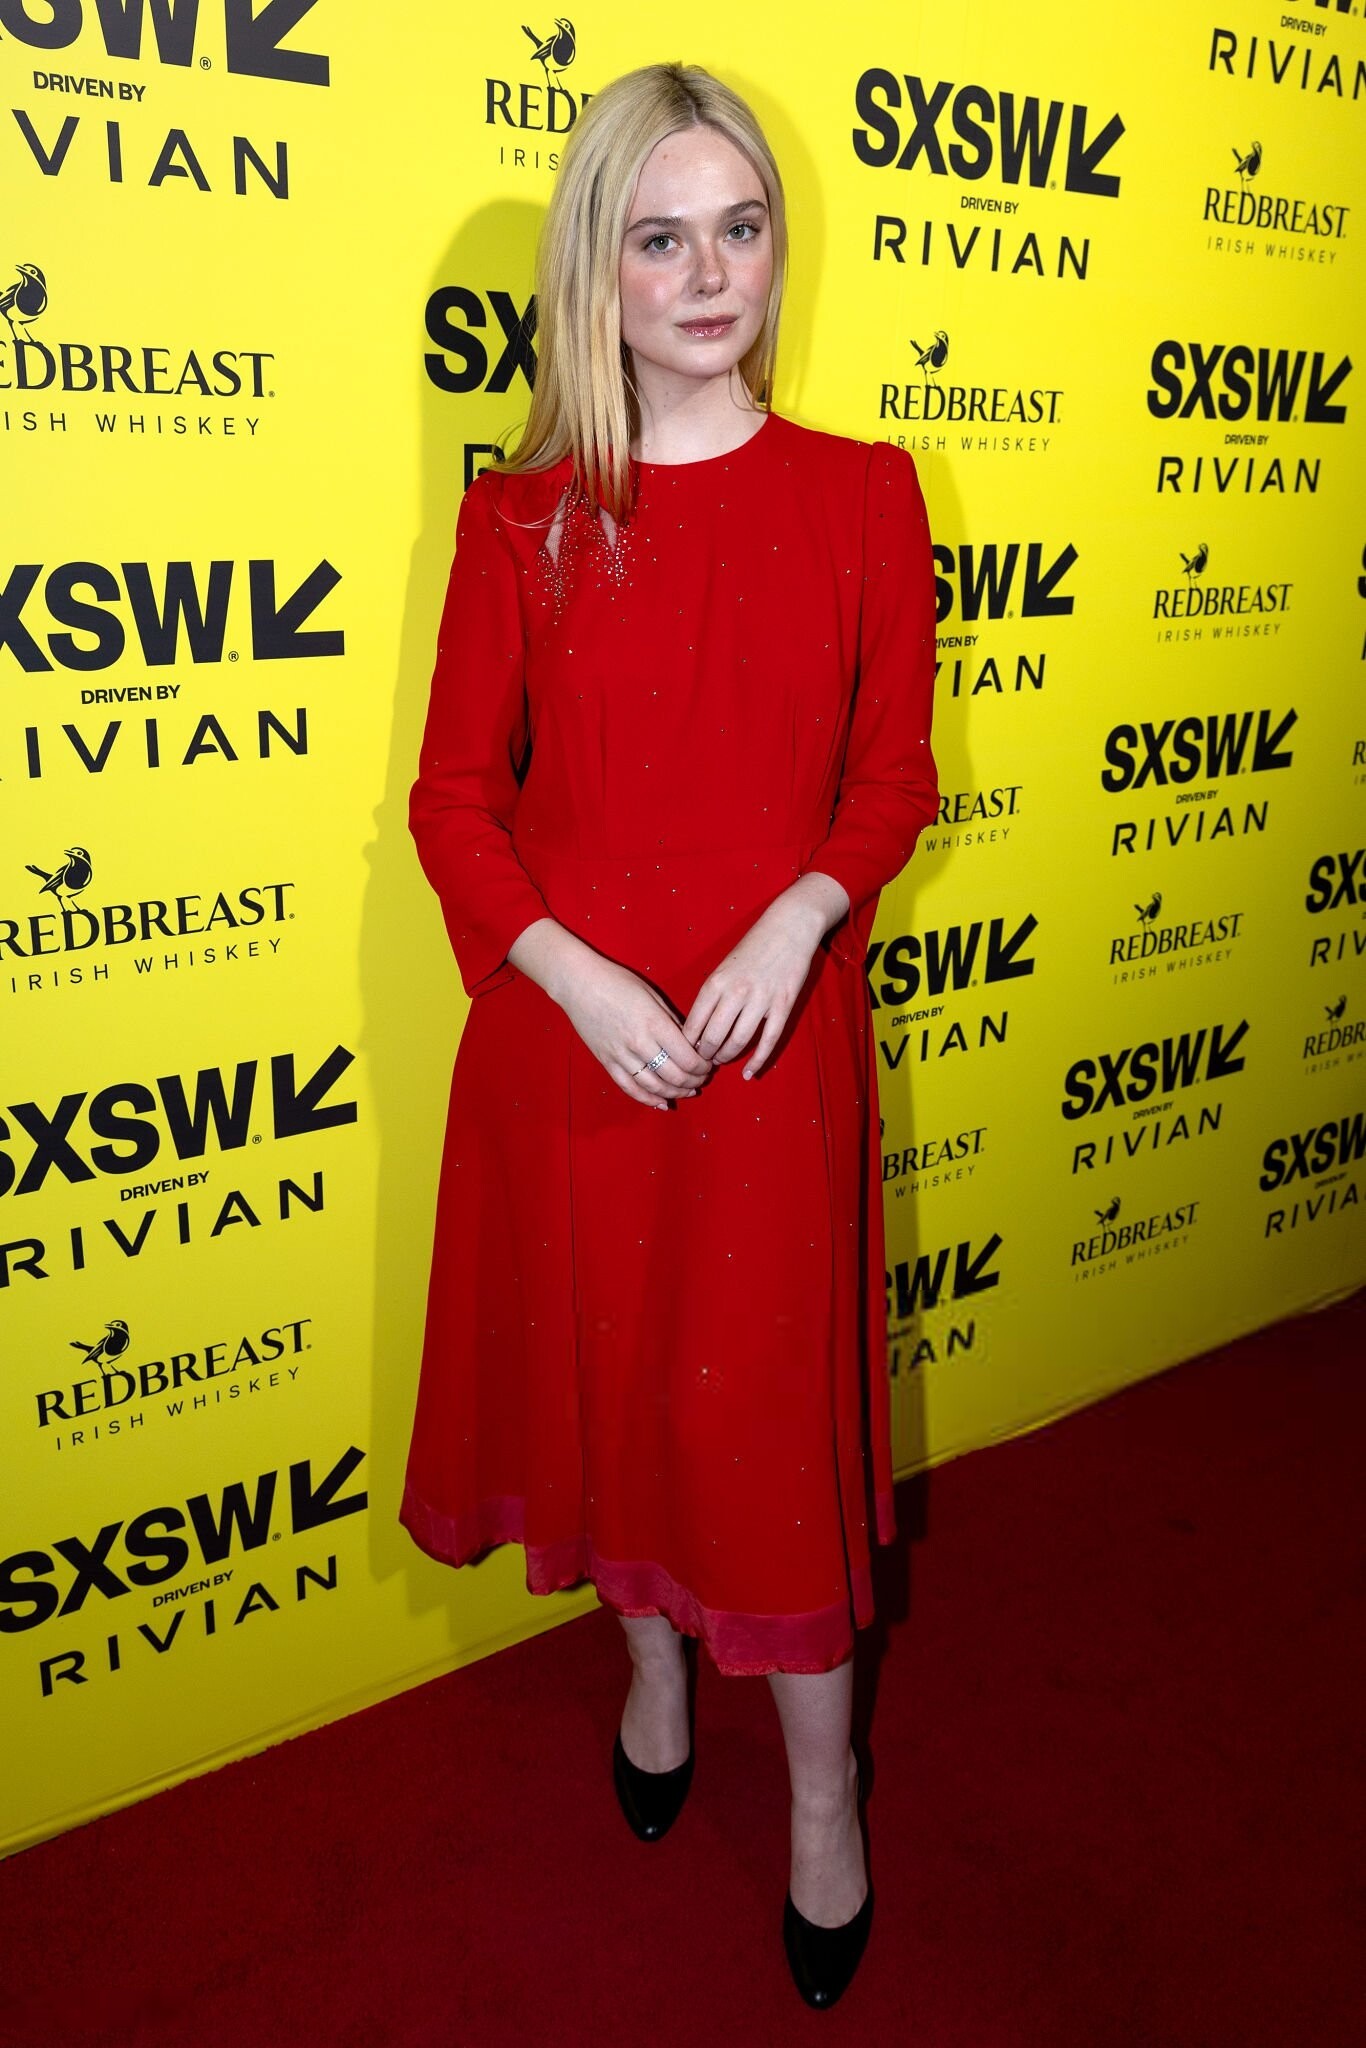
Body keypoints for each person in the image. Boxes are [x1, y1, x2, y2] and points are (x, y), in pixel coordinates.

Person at [400, 60, 939, 2009]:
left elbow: (889, 778)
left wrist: (804, 909)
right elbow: (453, 803)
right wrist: (569, 973)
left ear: (776, 251)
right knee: (609, 1402)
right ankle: (644, 1667)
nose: (709, 276)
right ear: (594, 271)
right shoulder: (520, 519)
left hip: (767, 1058)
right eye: (659, 237)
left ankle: (821, 1800)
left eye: (739, 228)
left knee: (761, 1443)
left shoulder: (865, 494)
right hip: (576, 1056)